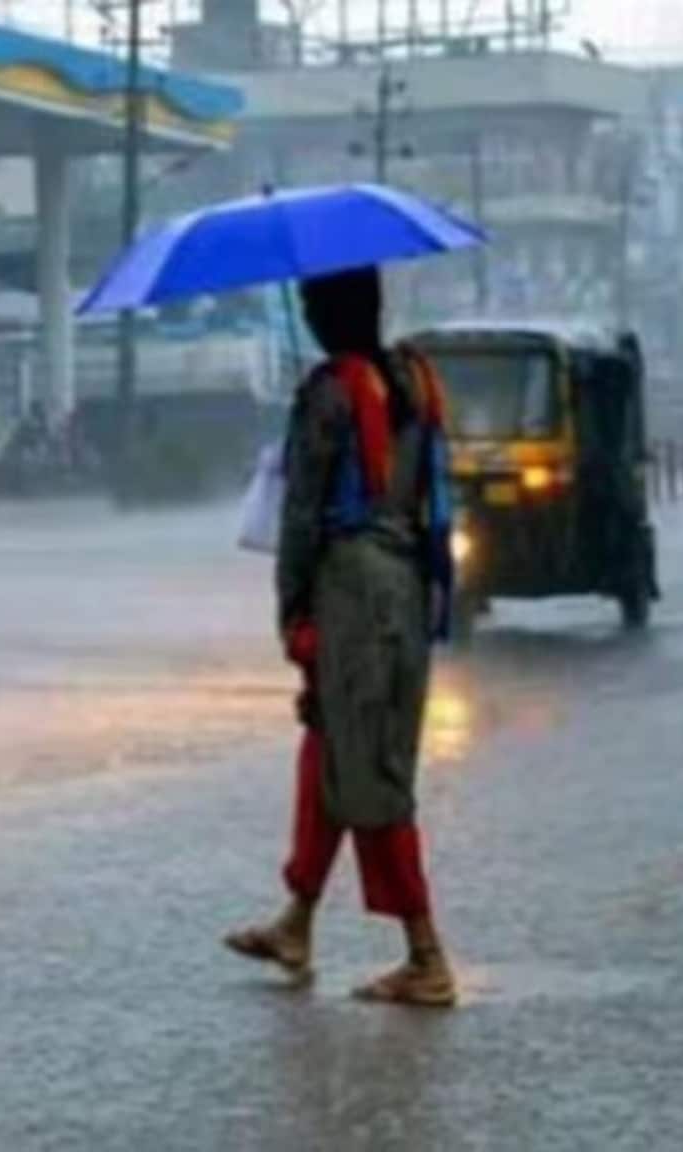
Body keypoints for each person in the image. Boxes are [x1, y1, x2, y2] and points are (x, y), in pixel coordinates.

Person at [223, 266, 459, 1008]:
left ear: (328, 313)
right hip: (407, 586)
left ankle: (426, 956)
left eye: (310, 303)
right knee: (332, 749)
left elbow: (301, 517)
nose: (308, 314)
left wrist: (293, 613)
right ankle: (297, 919)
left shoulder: (328, 394)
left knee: (371, 774)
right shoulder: (418, 381)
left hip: (351, 593)